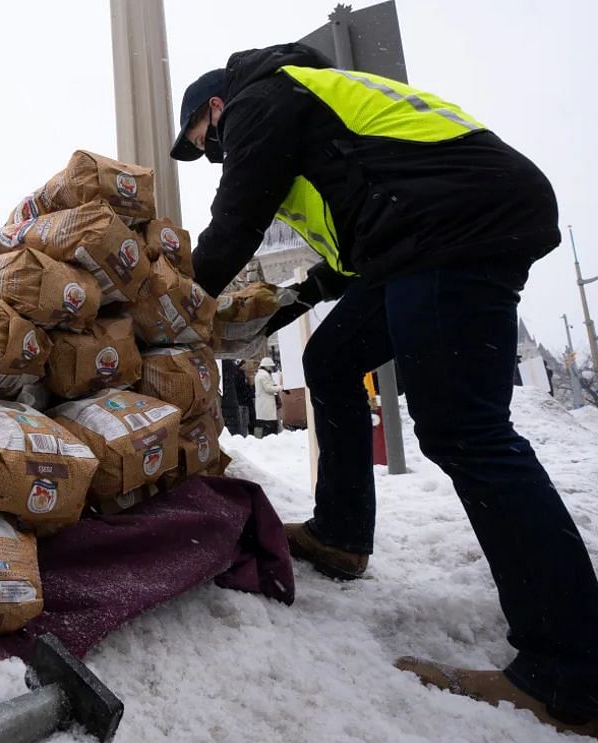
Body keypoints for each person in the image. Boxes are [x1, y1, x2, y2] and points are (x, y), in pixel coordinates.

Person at [171, 42, 598, 735]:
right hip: (432, 229)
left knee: (465, 428)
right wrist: (280, 306)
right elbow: (349, 258)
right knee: (335, 358)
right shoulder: (316, 117)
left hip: (452, 227)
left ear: (215, 109)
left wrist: (170, 311)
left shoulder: (261, 98)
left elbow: (234, 224)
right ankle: (342, 532)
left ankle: (571, 670)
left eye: (207, 144)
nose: (218, 154)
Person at [254, 357, 279, 436]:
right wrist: (281, 388)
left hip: (262, 406)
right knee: (270, 428)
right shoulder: (264, 375)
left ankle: (260, 438)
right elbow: (268, 389)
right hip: (266, 406)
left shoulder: (259, 374)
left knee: (262, 425)